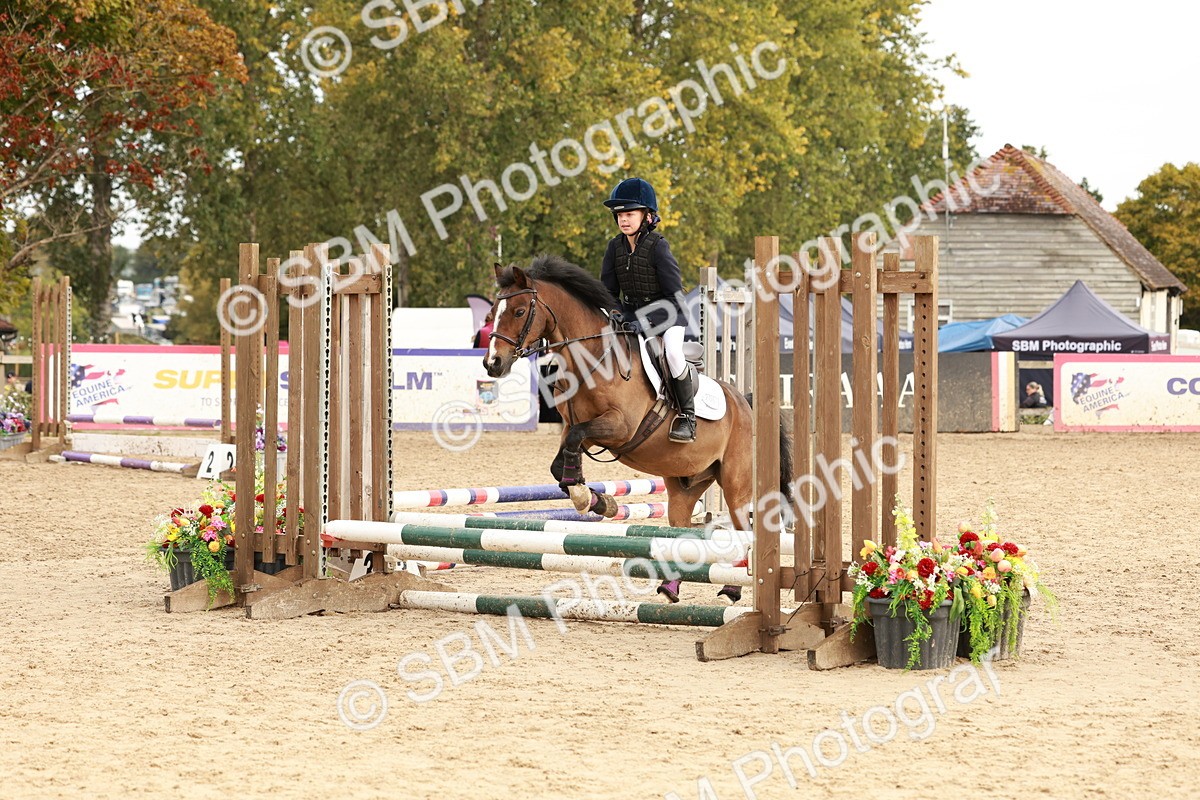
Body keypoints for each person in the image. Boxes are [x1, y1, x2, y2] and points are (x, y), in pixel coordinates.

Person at [599, 177, 695, 443]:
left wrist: (644, 324)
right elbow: (607, 292)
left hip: (668, 315)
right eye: (619, 215)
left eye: (629, 214)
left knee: (673, 354)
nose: (623, 220)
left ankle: (688, 417)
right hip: (631, 316)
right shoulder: (614, 248)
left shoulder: (658, 247)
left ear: (647, 216)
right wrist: (616, 313)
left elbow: (675, 297)